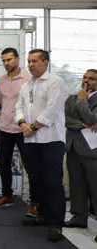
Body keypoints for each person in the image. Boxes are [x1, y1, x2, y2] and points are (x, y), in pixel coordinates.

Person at [15, 49, 66, 242]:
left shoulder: (55, 82)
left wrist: (32, 127)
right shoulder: (26, 85)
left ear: (46, 63)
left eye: (35, 61)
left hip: (51, 140)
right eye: (29, 61)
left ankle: (56, 223)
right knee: (37, 180)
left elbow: (51, 111)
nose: (31, 64)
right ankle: (42, 215)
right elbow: (18, 107)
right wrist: (22, 124)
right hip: (31, 140)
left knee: (53, 182)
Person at [0, 48, 38, 217]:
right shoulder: (1, 80)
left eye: (9, 60)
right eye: (3, 60)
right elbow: (0, 103)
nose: (6, 63)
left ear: (17, 59)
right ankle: (7, 196)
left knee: (31, 167)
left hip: (24, 130)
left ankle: (34, 202)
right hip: (4, 128)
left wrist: (25, 123)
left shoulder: (28, 79)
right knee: (3, 164)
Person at [64, 69, 97, 229]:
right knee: (76, 185)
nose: (86, 81)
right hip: (73, 148)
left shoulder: (81, 99)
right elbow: (65, 118)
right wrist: (80, 124)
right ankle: (79, 218)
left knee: (95, 187)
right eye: (84, 77)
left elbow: (92, 120)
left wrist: (82, 102)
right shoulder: (71, 98)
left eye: (91, 79)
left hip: (92, 152)